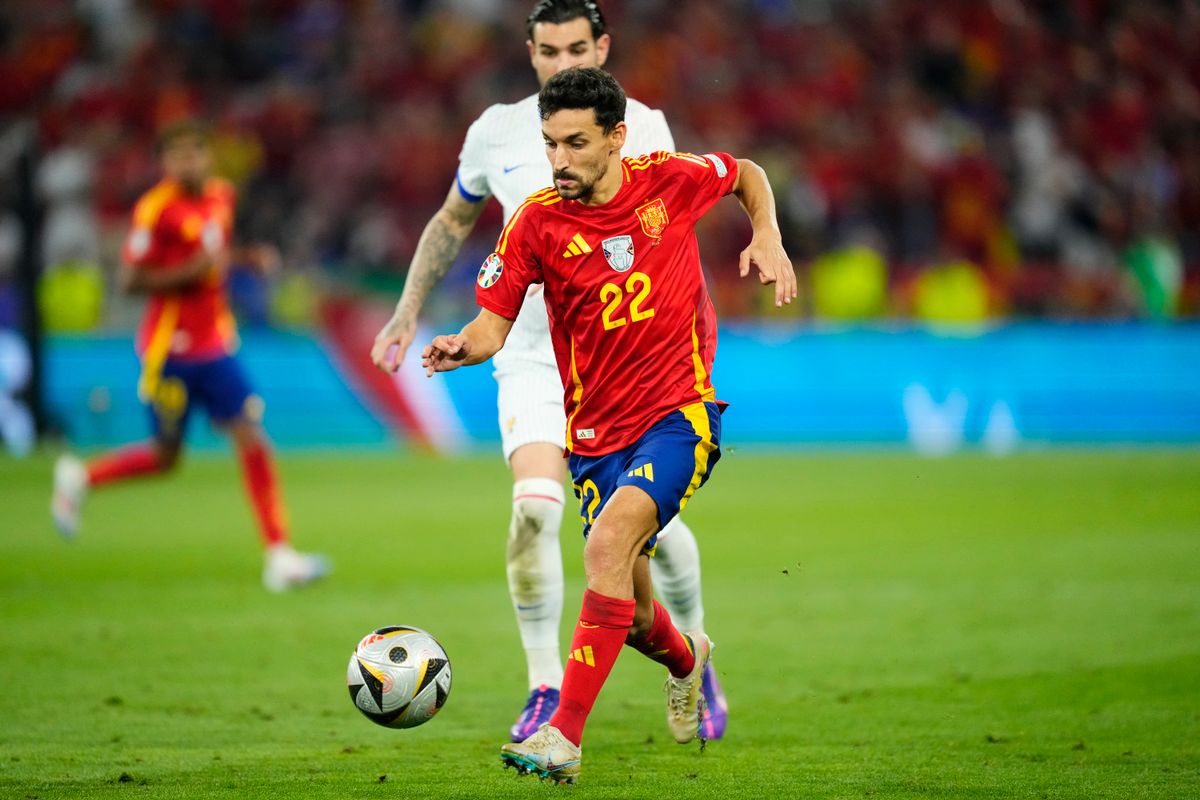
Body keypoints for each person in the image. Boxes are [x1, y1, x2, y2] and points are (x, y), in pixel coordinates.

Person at [421, 67, 795, 783]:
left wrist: (768, 235)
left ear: (616, 137)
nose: (559, 159)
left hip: (679, 415)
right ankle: (690, 659)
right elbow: (492, 328)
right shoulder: (535, 221)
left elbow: (745, 173)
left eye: (576, 143)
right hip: (594, 440)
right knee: (630, 615)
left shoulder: (669, 181)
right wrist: (459, 347)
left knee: (610, 546)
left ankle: (562, 736)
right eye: (550, 143)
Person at [370, 0, 727, 742]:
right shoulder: (495, 132)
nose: (562, 63)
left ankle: (691, 657)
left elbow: (669, 228)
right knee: (536, 509)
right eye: (547, 51)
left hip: (624, 361)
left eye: (575, 48)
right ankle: (544, 687)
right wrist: (409, 313)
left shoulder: (643, 123)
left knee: (638, 536)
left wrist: (689, 342)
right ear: (528, 52)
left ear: (602, 46)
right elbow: (451, 222)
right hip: (529, 356)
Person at [50, 121, 329, 593]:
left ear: (207, 156)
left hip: (216, 343)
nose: (188, 163)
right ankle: (81, 475)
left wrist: (244, 259)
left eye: (194, 153)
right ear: (165, 163)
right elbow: (130, 281)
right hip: (170, 349)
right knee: (166, 456)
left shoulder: (221, 196)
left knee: (252, 436)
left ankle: (279, 555)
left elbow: (214, 255)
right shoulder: (154, 210)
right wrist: (190, 272)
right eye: (177, 156)